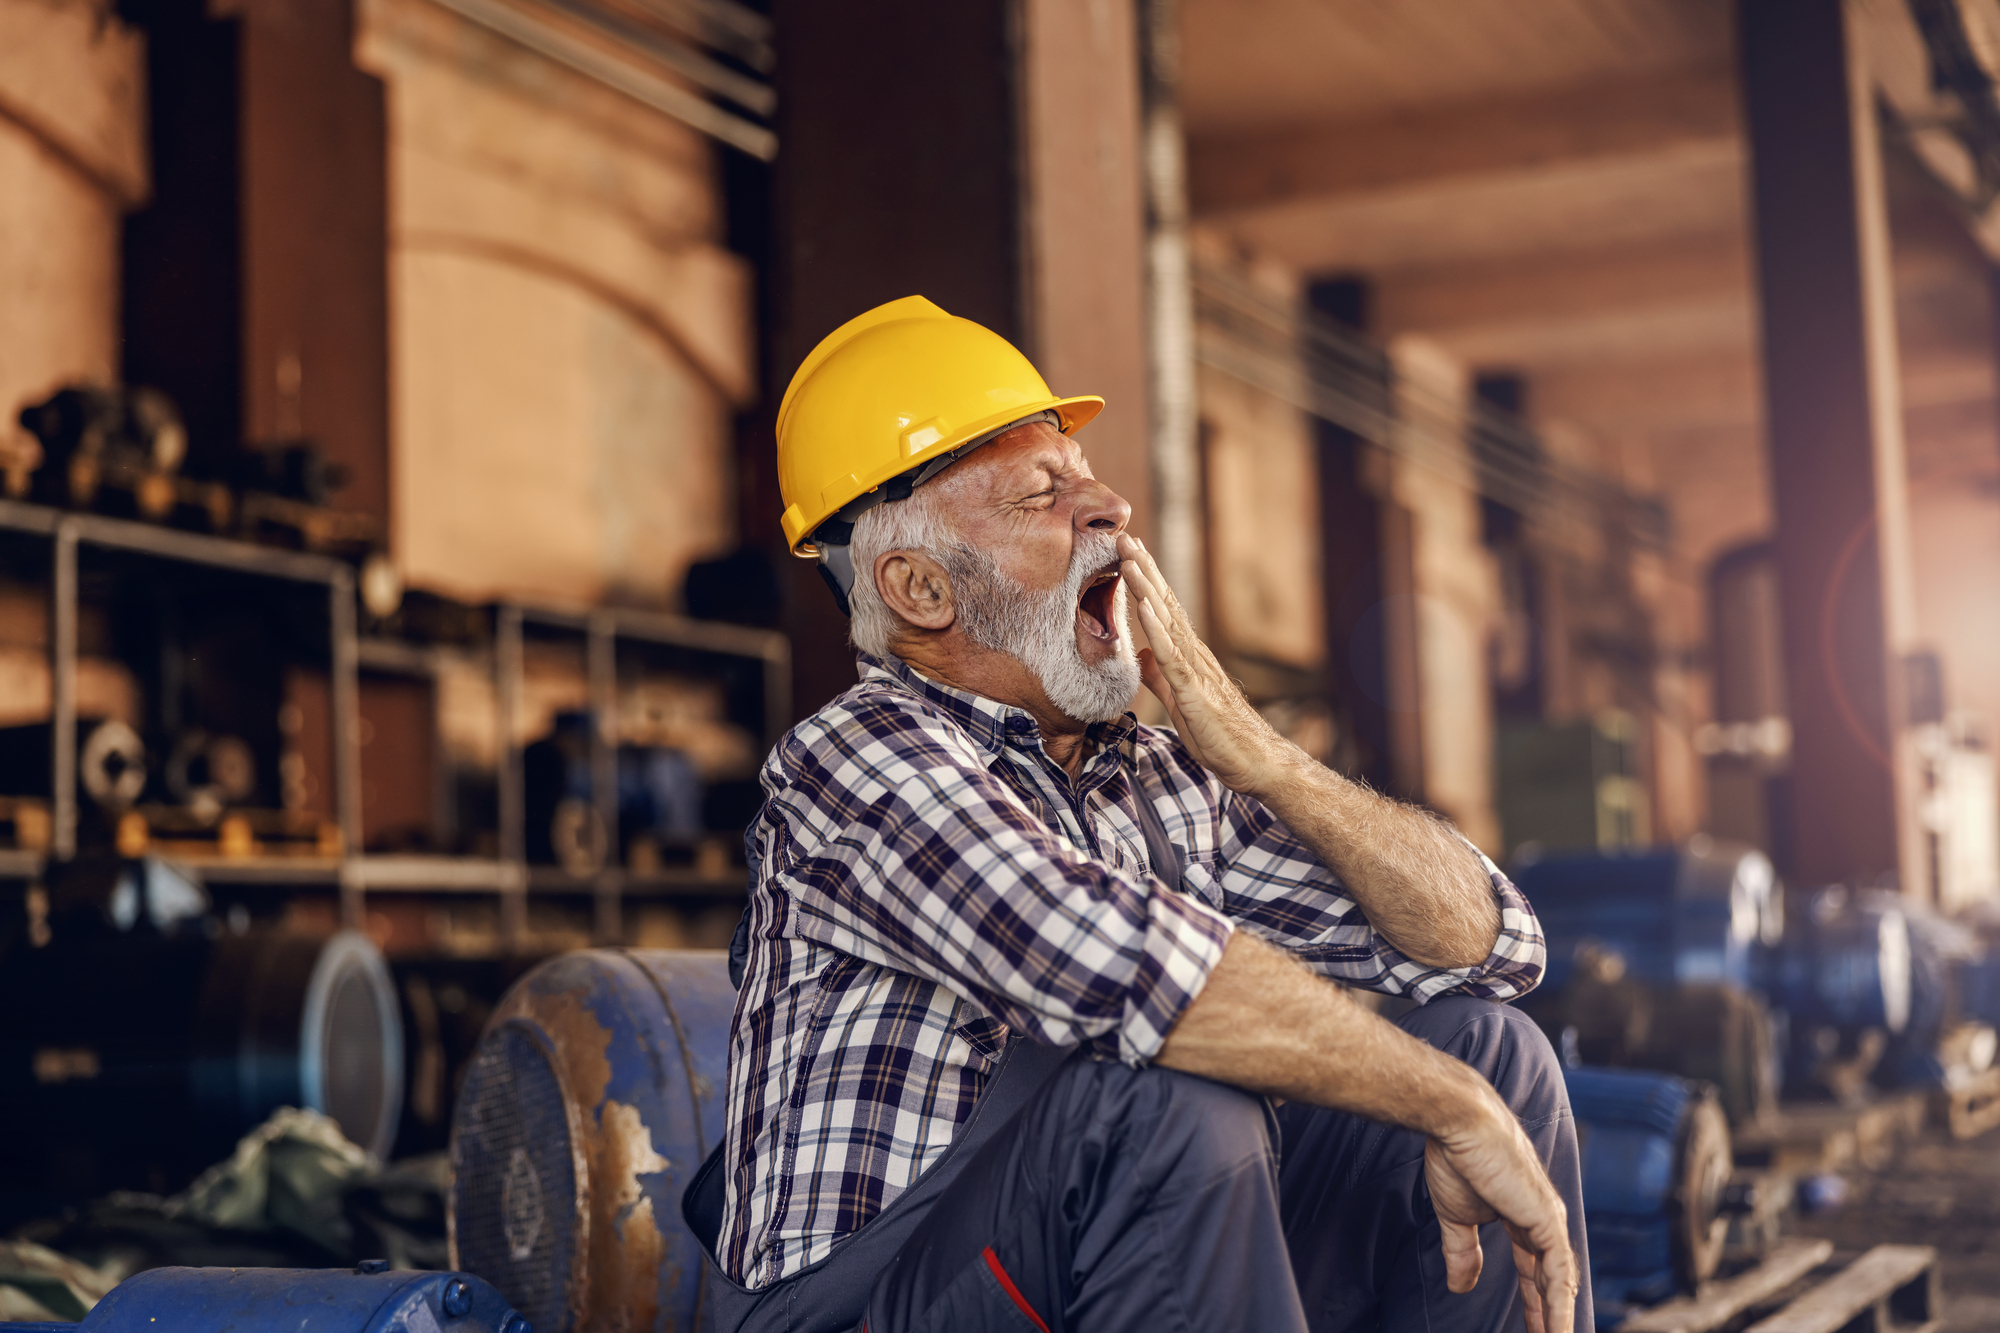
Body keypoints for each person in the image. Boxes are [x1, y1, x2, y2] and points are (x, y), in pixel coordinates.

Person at [680, 296, 1588, 1333]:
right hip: (861, 1307)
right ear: (920, 587)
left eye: (1087, 475)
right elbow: (1120, 972)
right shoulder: (854, 761)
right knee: (1162, 1095)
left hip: (1082, 1264)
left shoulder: (1153, 778)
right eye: (1044, 492)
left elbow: (1489, 947)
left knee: (1488, 1048)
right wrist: (1444, 1106)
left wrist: (1267, 761)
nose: (1106, 504)